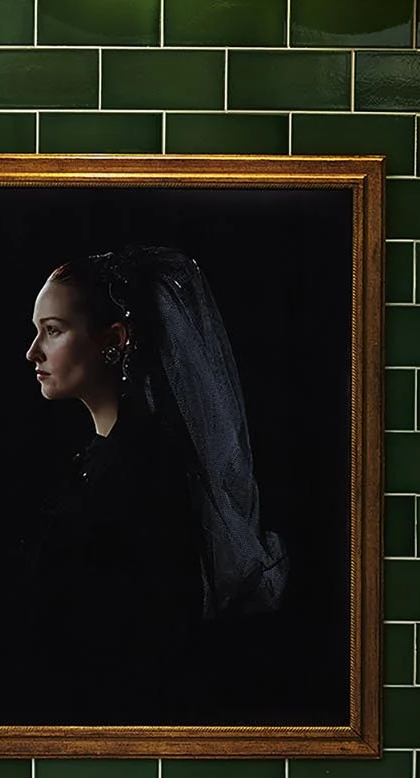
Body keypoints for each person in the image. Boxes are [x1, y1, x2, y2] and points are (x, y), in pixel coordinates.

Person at [20, 246, 286, 722]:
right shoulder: (101, 456)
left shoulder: (144, 470)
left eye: (53, 331)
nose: (32, 351)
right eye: (37, 331)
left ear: (114, 339)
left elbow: (144, 640)